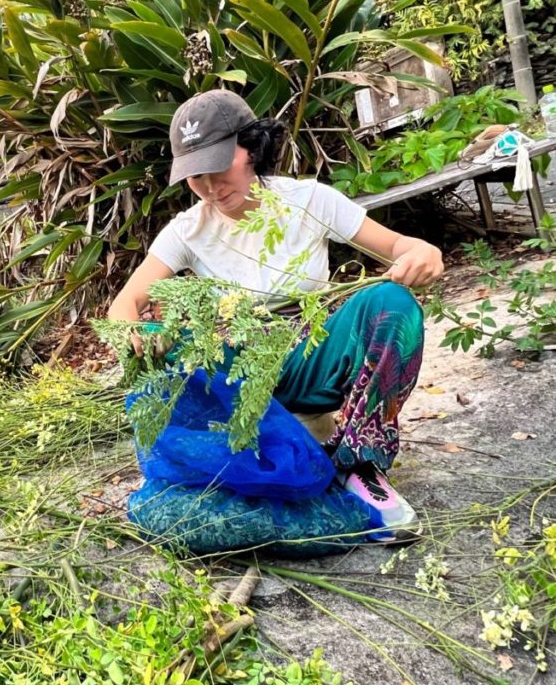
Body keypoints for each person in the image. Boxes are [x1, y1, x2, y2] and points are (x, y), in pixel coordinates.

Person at [107, 89, 444, 539]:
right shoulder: (187, 231)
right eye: (195, 176)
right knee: (172, 344)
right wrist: (141, 330)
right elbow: (124, 305)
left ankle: (359, 465)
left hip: (311, 360)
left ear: (253, 148)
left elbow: (399, 246)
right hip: (239, 378)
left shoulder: (308, 201)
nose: (210, 186)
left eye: (218, 166)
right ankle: (223, 458)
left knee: (392, 303)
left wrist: (423, 252)